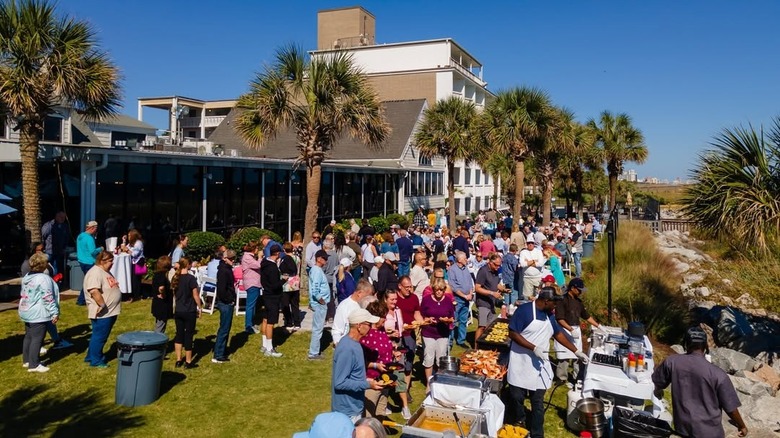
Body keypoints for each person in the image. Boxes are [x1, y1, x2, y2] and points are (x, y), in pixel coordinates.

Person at [507, 287, 589, 436]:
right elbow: (512, 333)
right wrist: (533, 348)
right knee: (516, 397)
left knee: (537, 402)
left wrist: (576, 351)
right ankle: (520, 420)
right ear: (546, 301)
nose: (556, 306)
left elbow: (557, 334)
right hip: (521, 362)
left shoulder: (549, 315)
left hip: (540, 365)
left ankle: (537, 433)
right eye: (554, 303)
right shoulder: (524, 311)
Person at [652, 327, 748, 438]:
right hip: (710, 434)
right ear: (705, 347)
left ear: (685, 344)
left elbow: (656, 382)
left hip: (683, 430)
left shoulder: (671, 362)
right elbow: (731, 409)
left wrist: (658, 391)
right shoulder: (718, 374)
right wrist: (742, 426)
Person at [331, 308, 384, 422]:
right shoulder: (347, 348)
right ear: (359, 326)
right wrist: (367, 384)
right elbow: (340, 382)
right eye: (369, 324)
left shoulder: (355, 344)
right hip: (347, 413)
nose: (371, 327)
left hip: (354, 407)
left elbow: (354, 372)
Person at [19, 252, 60, 373]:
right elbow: (47, 297)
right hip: (38, 313)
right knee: (37, 338)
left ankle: (27, 360)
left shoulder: (27, 276)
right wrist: (54, 312)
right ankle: (34, 364)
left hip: (26, 310)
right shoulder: (43, 278)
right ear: (43, 265)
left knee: (29, 336)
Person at [554, 278, 600, 383]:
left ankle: (577, 378)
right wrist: (570, 329)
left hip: (576, 329)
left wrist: (599, 326)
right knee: (563, 356)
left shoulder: (579, 302)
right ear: (572, 288)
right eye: (579, 290)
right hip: (564, 329)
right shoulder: (562, 300)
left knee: (577, 355)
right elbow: (559, 319)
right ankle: (561, 378)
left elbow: (586, 316)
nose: (580, 292)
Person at [83, 250, 122, 368]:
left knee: (98, 335)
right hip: (103, 312)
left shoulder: (104, 271)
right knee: (100, 336)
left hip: (109, 312)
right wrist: (102, 305)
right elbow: (94, 291)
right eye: (110, 261)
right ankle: (96, 360)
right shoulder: (95, 273)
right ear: (102, 261)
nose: (112, 263)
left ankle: (90, 355)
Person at [361, 300, 394, 418]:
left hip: (384, 381)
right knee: (368, 417)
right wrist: (376, 365)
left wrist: (394, 353)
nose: (385, 320)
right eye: (383, 317)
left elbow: (386, 351)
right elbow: (361, 363)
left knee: (381, 415)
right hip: (371, 382)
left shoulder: (382, 332)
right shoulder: (365, 336)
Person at [420, 277, 455, 382]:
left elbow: (452, 317)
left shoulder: (448, 300)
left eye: (441, 290)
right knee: (428, 357)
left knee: (441, 358)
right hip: (428, 332)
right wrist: (427, 319)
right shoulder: (426, 299)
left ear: (444, 290)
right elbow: (421, 315)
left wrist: (447, 320)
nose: (439, 292)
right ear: (433, 290)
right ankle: (428, 382)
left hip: (442, 333)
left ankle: (439, 381)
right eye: (437, 290)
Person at [395, 276, 424, 400]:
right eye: (406, 287)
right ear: (399, 287)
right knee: (397, 364)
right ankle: (397, 389)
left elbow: (417, 313)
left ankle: (405, 390)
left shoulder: (414, 298)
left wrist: (422, 322)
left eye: (410, 287)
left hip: (410, 334)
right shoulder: (394, 299)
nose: (409, 289)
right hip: (397, 335)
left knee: (409, 363)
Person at [172, 257, 202, 369]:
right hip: (189, 310)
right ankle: (188, 361)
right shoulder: (191, 278)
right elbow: (195, 295)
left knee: (179, 334)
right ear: (188, 265)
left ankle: (178, 359)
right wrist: (200, 307)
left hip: (179, 310)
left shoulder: (176, 278)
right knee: (188, 335)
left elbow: (175, 294)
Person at [211, 250, 237, 364]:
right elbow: (221, 290)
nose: (233, 260)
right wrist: (229, 300)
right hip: (225, 303)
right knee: (224, 329)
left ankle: (221, 351)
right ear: (224, 258)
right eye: (231, 258)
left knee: (225, 328)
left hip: (227, 301)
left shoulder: (225, 269)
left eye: (234, 258)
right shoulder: (223, 271)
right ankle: (218, 354)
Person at [259, 244, 285, 357]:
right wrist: (283, 281)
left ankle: (264, 344)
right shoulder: (273, 267)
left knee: (265, 319)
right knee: (270, 322)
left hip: (266, 294)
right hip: (273, 297)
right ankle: (269, 348)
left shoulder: (264, 263)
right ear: (278, 254)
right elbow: (275, 285)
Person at [474, 253, 507, 341]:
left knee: (490, 326)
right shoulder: (483, 271)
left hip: (491, 303)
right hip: (483, 302)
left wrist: (504, 289)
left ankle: (485, 345)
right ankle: (476, 347)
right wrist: (492, 293)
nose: (498, 267)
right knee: (482, 326)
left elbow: (496, 285)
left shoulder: (495, 272)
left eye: (499, 265)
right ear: (490, 263)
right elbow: (477, 288)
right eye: (496, 265)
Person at [333, 280, 374, 346]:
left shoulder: (364, 305)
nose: (368, 299)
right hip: (347, 344)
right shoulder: (344, 306)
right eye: (367, 296)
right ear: (359, 293)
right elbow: (337, 329)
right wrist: (338, 344)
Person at [308, 250, 331, 360]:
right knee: (318, 328)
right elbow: (315, 288)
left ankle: (314, 351)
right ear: (318, 259)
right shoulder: (317, 271)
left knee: (318, 327)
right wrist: (321, 300)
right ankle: (313, 353)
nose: (326, 261)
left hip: (318, 303)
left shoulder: (316, 270)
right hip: (320, 304)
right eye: (324, 258)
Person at [448, 251, 475, 348]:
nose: (466, 260)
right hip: (458, 299)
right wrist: (464, 296)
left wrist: (470, 293)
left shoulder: (465, 269)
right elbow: (453, 287)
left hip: (467, 298)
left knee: (463, 320)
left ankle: (461, 340)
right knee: (453, 321)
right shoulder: (452, 270)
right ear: (459, 260)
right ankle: (450, 342)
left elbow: (470, 282)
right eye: (464, 259)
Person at [76, 220, 101, 306]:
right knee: (89, 282)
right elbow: (93, 252)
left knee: (87, 280)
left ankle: (82, 299)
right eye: (96, 228)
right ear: (92, 228)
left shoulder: (80, 236)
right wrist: (100, 249)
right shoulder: (89, 238)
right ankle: (81, 299)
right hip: (89, 262)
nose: (96, 230)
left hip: (81, 261)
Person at [280, 242, 302, 332]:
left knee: (285, 304)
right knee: (295, 304)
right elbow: (298, 269)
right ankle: (297, 323)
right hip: (295, 282)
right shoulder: (297, 258)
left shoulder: (283, 259)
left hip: (286, 283)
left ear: (284, 250)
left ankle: (289, 322)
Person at [241, 241, 262, 334]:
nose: (258, 250)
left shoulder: (250, 257)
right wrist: (260, 257)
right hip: (252, 283)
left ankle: (251, 323)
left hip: (255, 283)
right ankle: (248, 326)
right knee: (250, 305)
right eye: (257, 248)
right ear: (253, 249)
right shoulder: (247, 257)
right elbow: (258, 265)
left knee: (253, 305)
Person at [41, 211, 69, 277]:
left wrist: (64, 248)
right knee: (48, 268)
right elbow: (43, 236)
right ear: (56, 217)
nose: (62, 219)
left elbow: (66, 238)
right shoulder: (49, 225)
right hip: (49, 251)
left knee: (57, 269)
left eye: (64, 217)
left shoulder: (65, 226)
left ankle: (56, 283)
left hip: (59, 252)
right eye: (61, 217)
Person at [151, 256, 173, 333]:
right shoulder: (162, 275)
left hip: (157, 304)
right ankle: (156, 342)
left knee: (160, 324)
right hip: (162, 305)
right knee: (160, 326)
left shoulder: (157, 274)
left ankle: (159, 342)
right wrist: (163, 294)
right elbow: (161, 287)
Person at [127, 229, 146, 300]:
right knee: (132, 279)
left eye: (129, 235)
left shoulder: (138, 243)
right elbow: (126, 247)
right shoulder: (131, 243)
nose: (128, 237)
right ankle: (133, 294)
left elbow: (134, 254)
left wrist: (127, 250)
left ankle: (137, 295)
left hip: (138, 263)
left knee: (136, 280)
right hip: (132, 263)